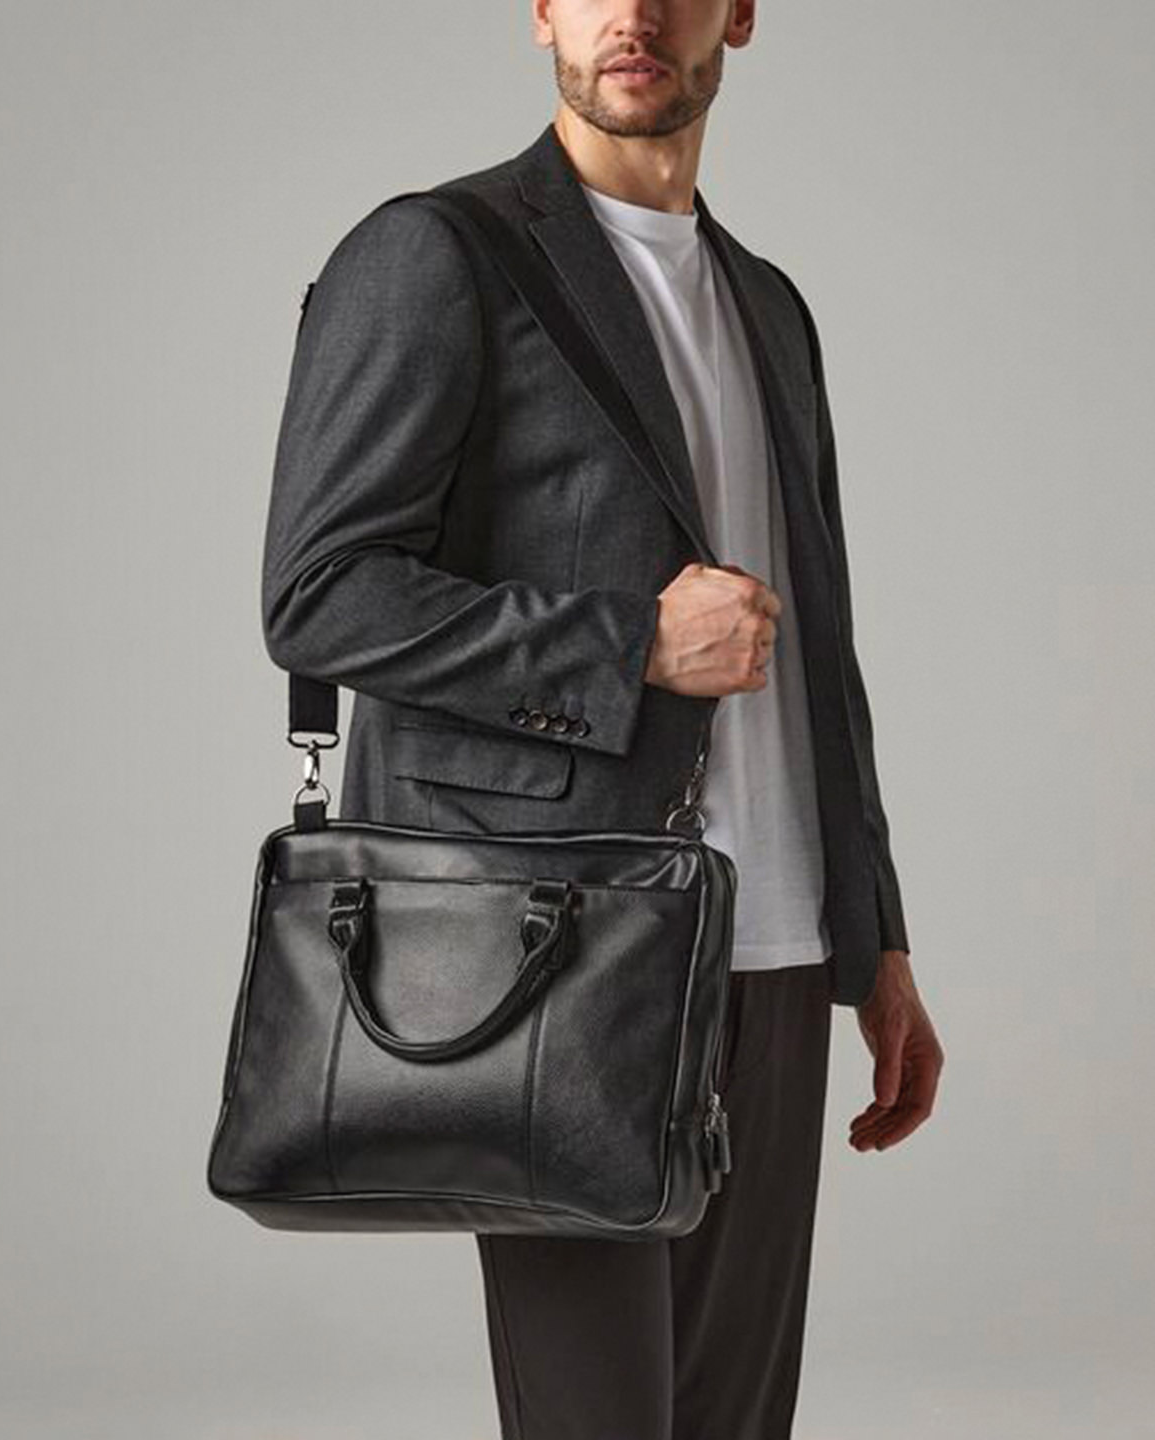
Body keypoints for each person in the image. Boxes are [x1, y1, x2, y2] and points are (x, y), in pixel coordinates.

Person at [261, 2, 945, 1434]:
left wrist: (874, 939)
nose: (632, 13)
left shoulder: (769, 305)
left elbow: (820, 648)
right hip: (559, 939)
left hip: (773, 938)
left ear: (738, 15)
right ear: (541, 12)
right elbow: (322, 597)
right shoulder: (439, 254)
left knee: (735, 1419)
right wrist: (632, 644)